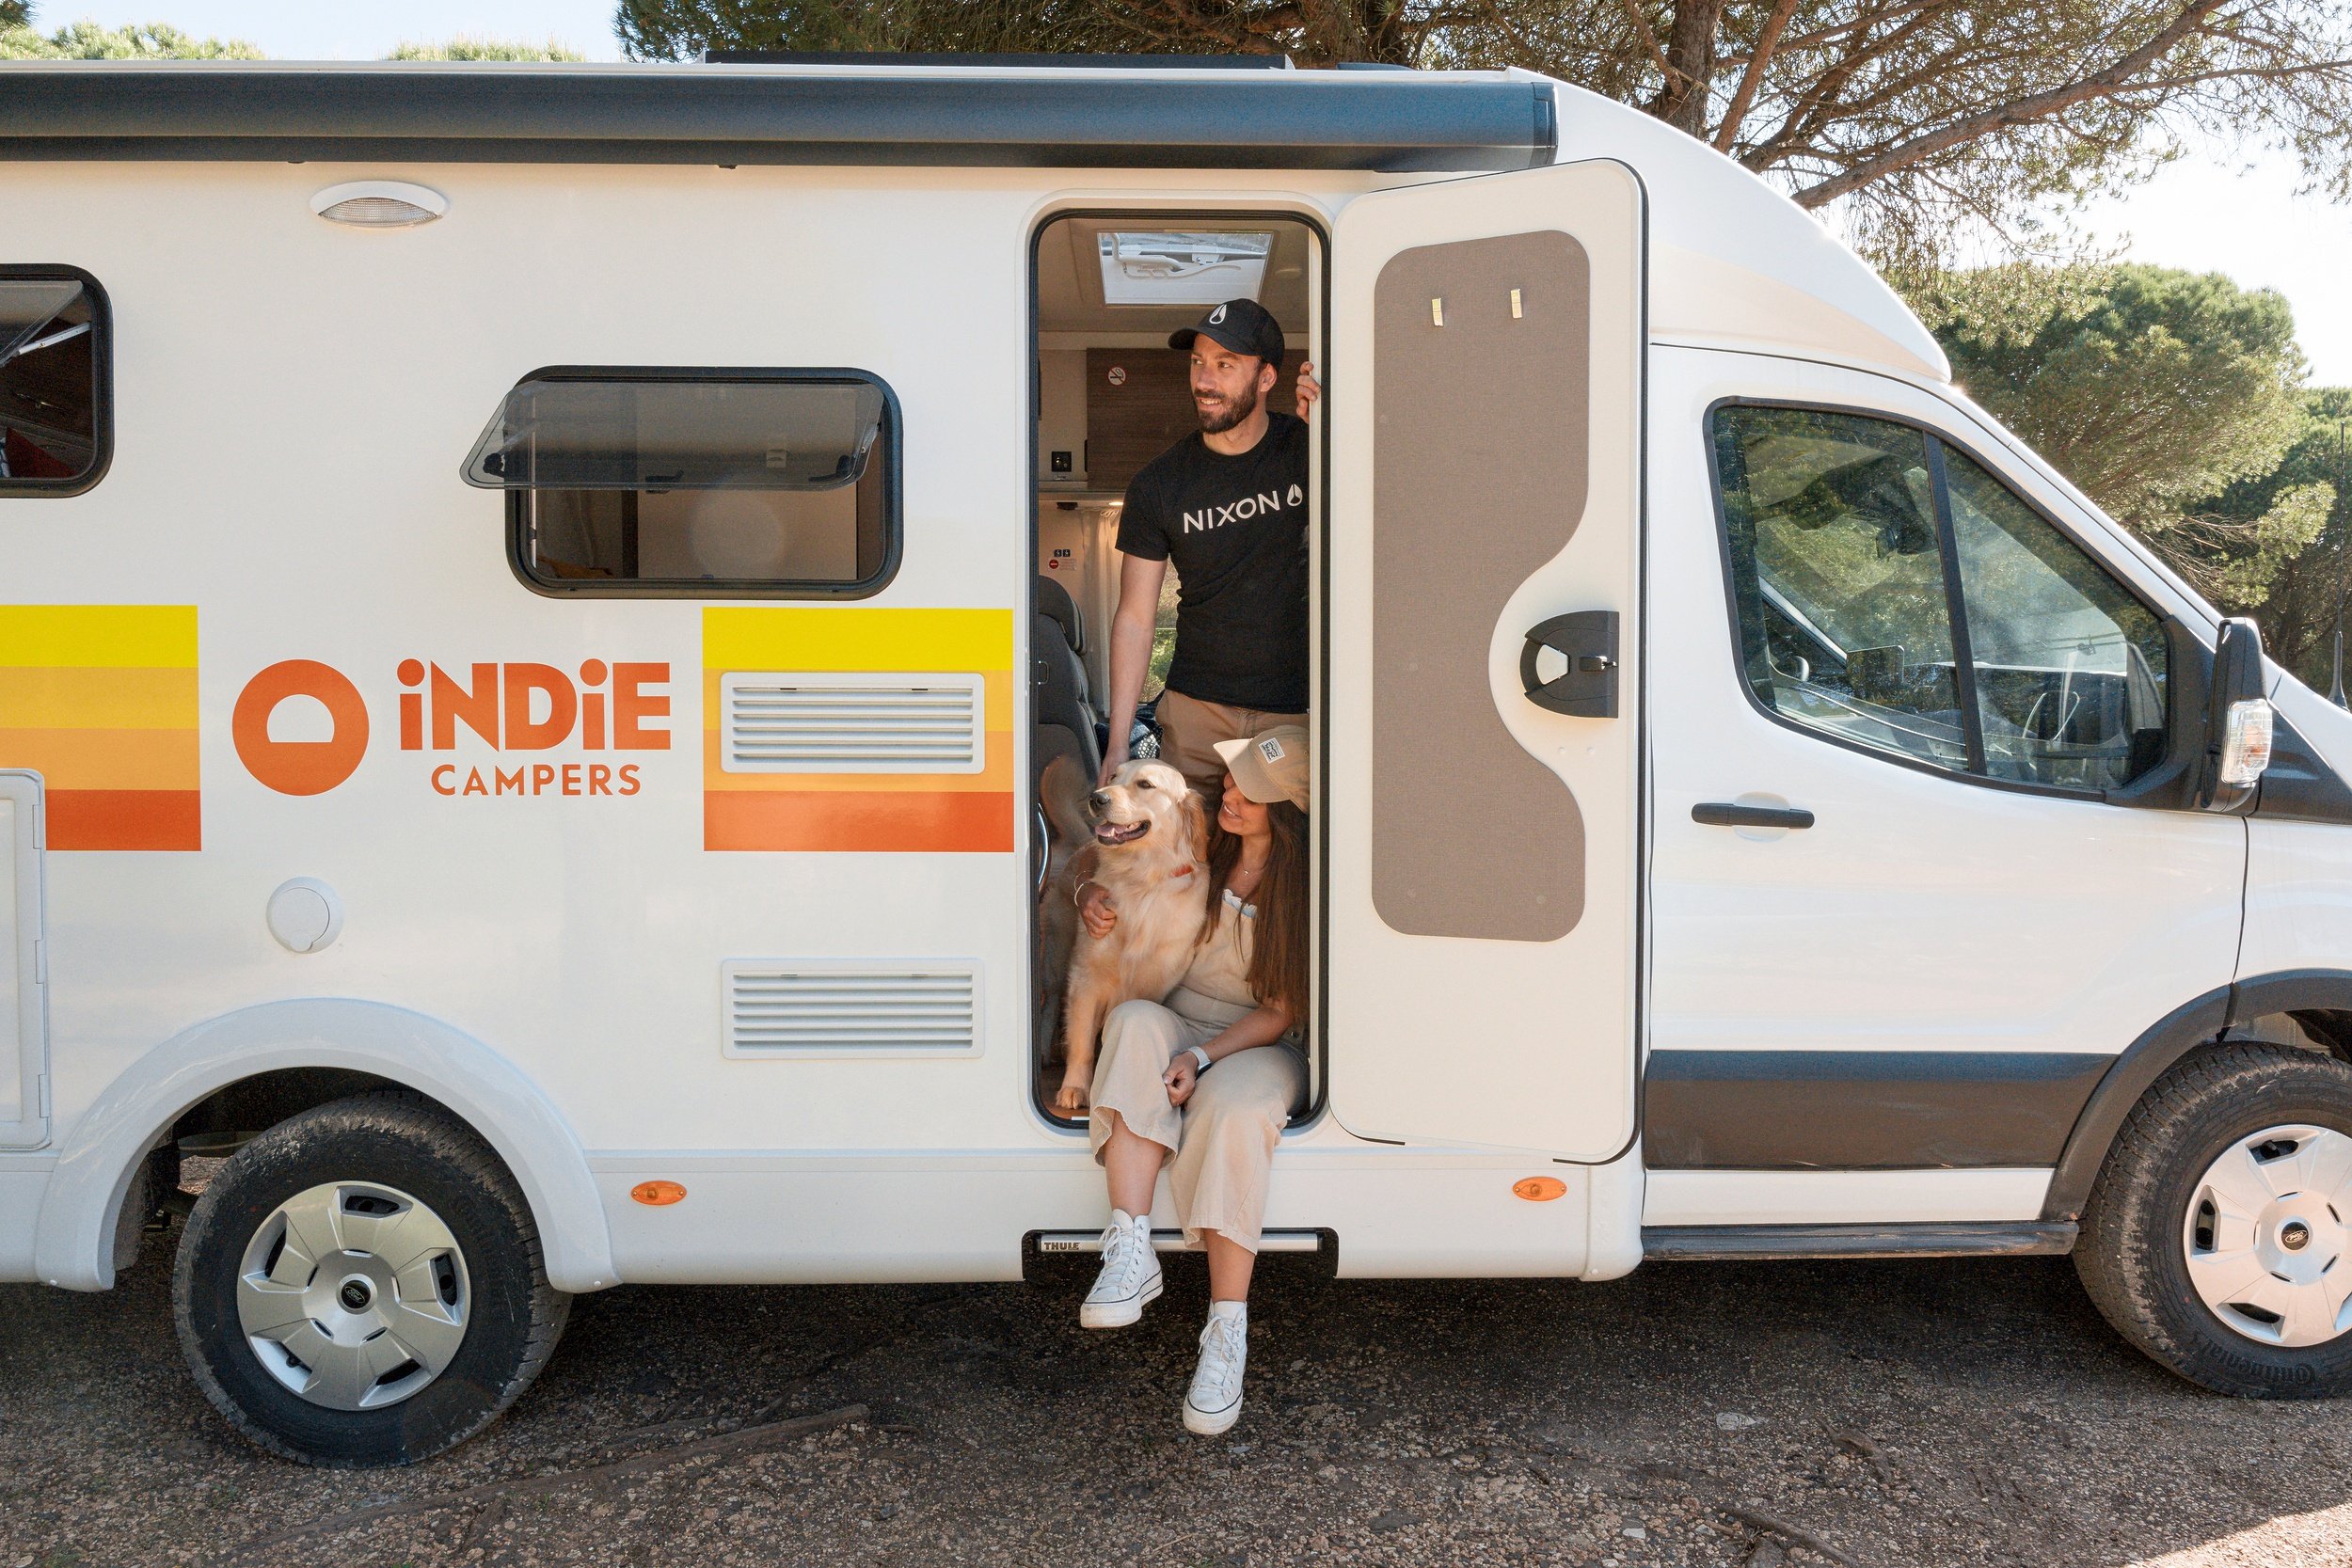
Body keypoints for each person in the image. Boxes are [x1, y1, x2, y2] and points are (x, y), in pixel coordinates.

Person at [1074, 723, 1311, 1435]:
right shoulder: (1207, 842)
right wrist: (1089, 892)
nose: (1229, 795)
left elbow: (1281, 1011)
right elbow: (1109, 862)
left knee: (1234, 1114)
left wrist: (1203, 1058)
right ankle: (1131, 1247)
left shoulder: (1303, 887)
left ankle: (1226, 1332)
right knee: (1134, 1021)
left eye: (1250, 794)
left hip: (1257, 1037)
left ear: (1286, 813)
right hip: (1180, 1015)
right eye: (1232, 781)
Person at [1100, 298, 1319, 800]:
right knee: (1188, 846)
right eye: (1198, 362)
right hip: (1195, 710)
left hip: (1296, 708)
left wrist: (1336, 429)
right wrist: (1117, 744)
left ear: (1266, 377)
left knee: (1286, 846)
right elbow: (1135, 617)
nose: (1204, 379)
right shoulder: (1158, 484)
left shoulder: (1311, 448)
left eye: (1225, 364)